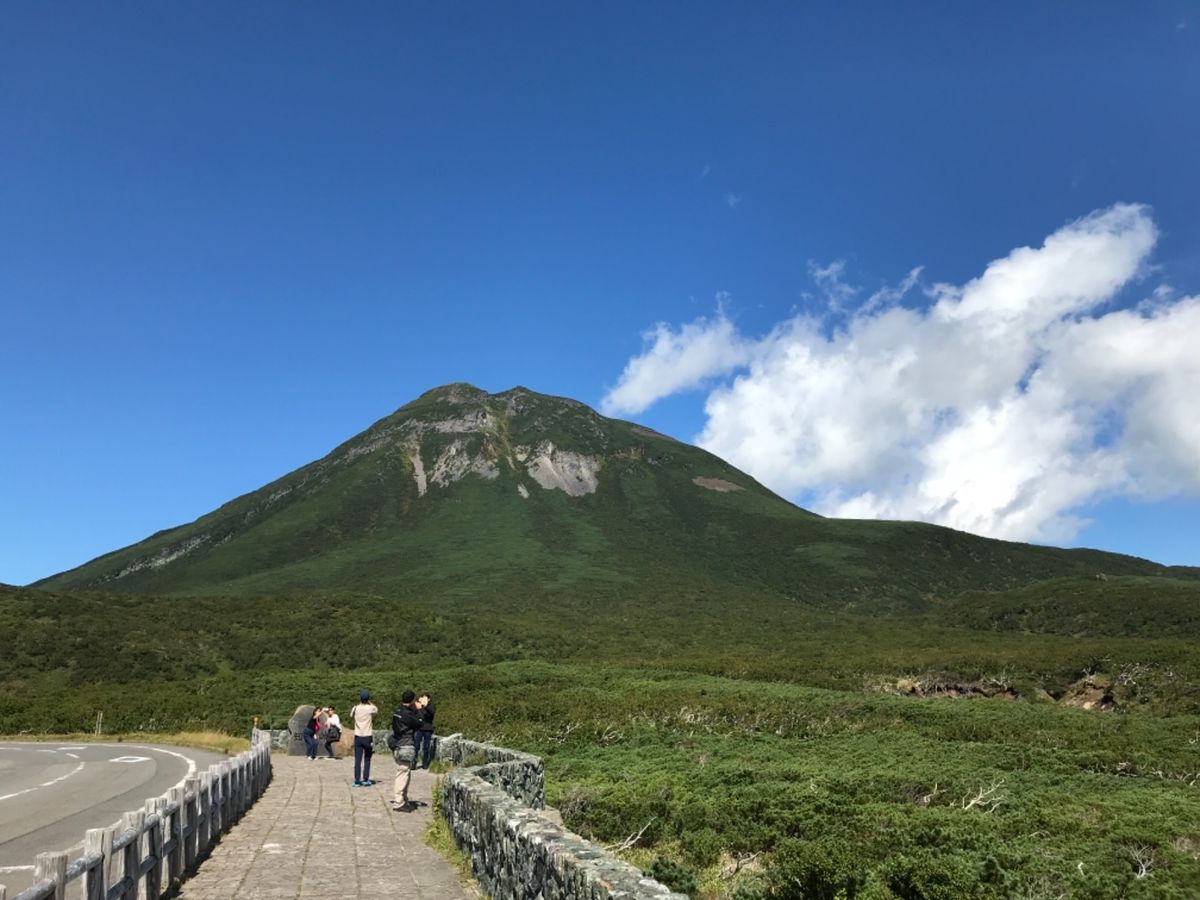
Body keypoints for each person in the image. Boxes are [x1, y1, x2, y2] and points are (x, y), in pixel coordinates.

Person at [390, 690, 424, 811]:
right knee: (402, 773)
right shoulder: (407, 715)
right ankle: (398, 802)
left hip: (397, 745)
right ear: (412, 700)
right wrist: (419, 710)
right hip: (405, 746)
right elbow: (420, 723)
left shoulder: (398, 712)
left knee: (404, 772)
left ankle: (403, 799)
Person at [349, 690, 378, 786]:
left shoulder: (355, 708)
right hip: (367, 736)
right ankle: (365, 779)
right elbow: (376, 710)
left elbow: (351, 716)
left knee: (357, 760)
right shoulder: (370, 708)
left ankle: (357, 780)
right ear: (368, 698)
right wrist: (369, 702)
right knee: (367, 759)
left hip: (358, 736)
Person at [413, 693, 435, 769]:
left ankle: (425, 763)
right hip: (419, 729)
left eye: (425, 698)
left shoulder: (431, 706)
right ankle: (414, 762)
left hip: (428, 729)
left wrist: (425, 706)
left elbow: (431, 713)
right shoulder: (418, 706)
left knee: (426, 747)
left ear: (428, 699)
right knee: (416, 746)